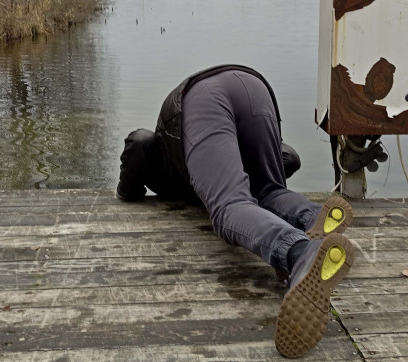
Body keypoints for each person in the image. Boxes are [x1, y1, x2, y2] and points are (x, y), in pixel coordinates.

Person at [117, 64, 356, 358]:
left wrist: (126, 191)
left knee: (231, 205)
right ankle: (314, 218)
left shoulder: (158, 153)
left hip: (202, 99)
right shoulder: (198, 156)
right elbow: (289, 158)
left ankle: (300, 253)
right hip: (254, 86)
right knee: (268, 190)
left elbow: (139, 143)